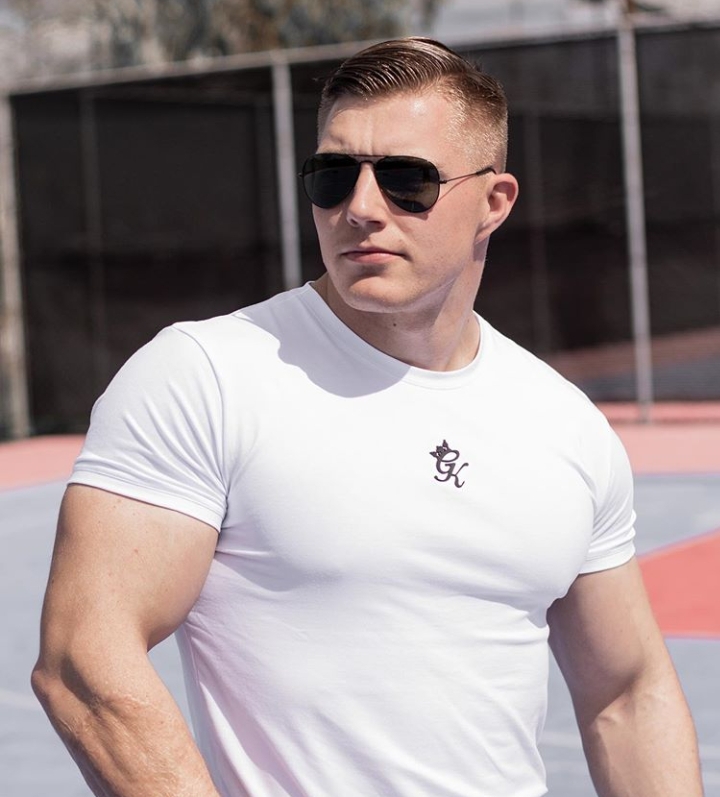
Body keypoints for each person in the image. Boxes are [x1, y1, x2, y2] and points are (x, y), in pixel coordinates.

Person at [32, 37, 703, 797]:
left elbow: (627, 693)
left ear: (494, 203)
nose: (359, 208)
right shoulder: (205, 376)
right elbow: (84, 659)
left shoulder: (564, 422)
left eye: (407, 181)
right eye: (333, 176)